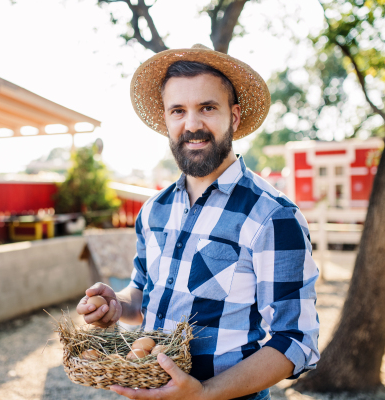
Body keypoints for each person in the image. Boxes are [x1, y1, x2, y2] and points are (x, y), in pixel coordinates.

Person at [76, 44, 320, 400]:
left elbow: (298, 341)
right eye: (178, 111)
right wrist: (116, 305)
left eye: (207, 107)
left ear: (234, 117)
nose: (192, 125)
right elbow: (143, 294)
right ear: (166, 120)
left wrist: (202, 393)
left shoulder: (272, 215)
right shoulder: (154, 211)